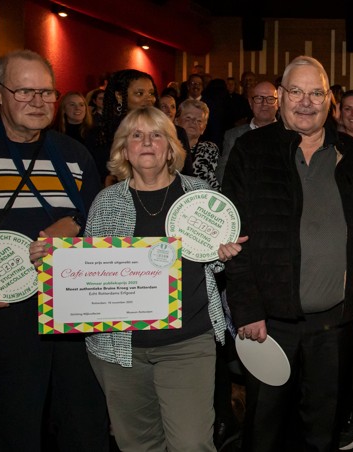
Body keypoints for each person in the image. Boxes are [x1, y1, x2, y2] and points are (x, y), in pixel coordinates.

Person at [0, 49, 108, 451]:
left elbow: (101, 222)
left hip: (72, 313)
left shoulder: (75, 155)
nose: (39, 102)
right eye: (25, 91)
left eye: (47, 92)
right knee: (11, 428)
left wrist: (77, 225)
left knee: (85, 424)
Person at [222, 55, 353, 452]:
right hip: (268, 325)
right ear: (280, 97)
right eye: (296, 92)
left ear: (329, 100)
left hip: (335, 325)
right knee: (264, 431)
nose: (306, 102)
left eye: (316, 93)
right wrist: (247, 309)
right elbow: (230, 236)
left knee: (322, 433)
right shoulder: (250, 151)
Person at [81, 106, 243, 452]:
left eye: (157, 135)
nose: (147, 142)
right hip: (121, 349)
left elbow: (214, 268)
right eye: (136, 135)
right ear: (124, 149)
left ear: (171, 148)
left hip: (187, 342)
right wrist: (53, 265)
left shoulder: (199, 196)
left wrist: (222, 256)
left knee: (192, 443)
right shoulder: (105, 203)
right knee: (137, 444)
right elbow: (87, 277)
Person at [88, 69, 159, 185]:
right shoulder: (101, 136)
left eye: (151, 93)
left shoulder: (170, 132)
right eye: (139, 93)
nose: (149, 99)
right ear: (119, 96)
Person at [217, 81, 279, 183]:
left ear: (278, 103)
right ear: (250, 103)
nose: (264, 103)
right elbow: (223, 173)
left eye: (270, 99)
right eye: (259, 98)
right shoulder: (233, 136)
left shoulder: (290, 135)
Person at [176, 99, 221, 190]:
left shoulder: (209, 149)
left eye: (199, 121)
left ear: (203, 129)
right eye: (188, 117)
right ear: (176, 121)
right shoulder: (166, 148)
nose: (193, 122)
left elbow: (214, 186)